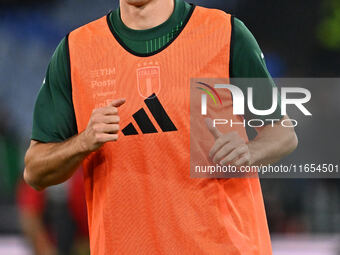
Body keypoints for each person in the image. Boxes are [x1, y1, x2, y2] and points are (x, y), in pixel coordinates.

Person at [24, 0, 298, 254]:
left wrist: (250, 152)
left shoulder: (225, 33)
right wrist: (83, 141)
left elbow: (283, 133)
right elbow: (35, 170)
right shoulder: (76, 51)